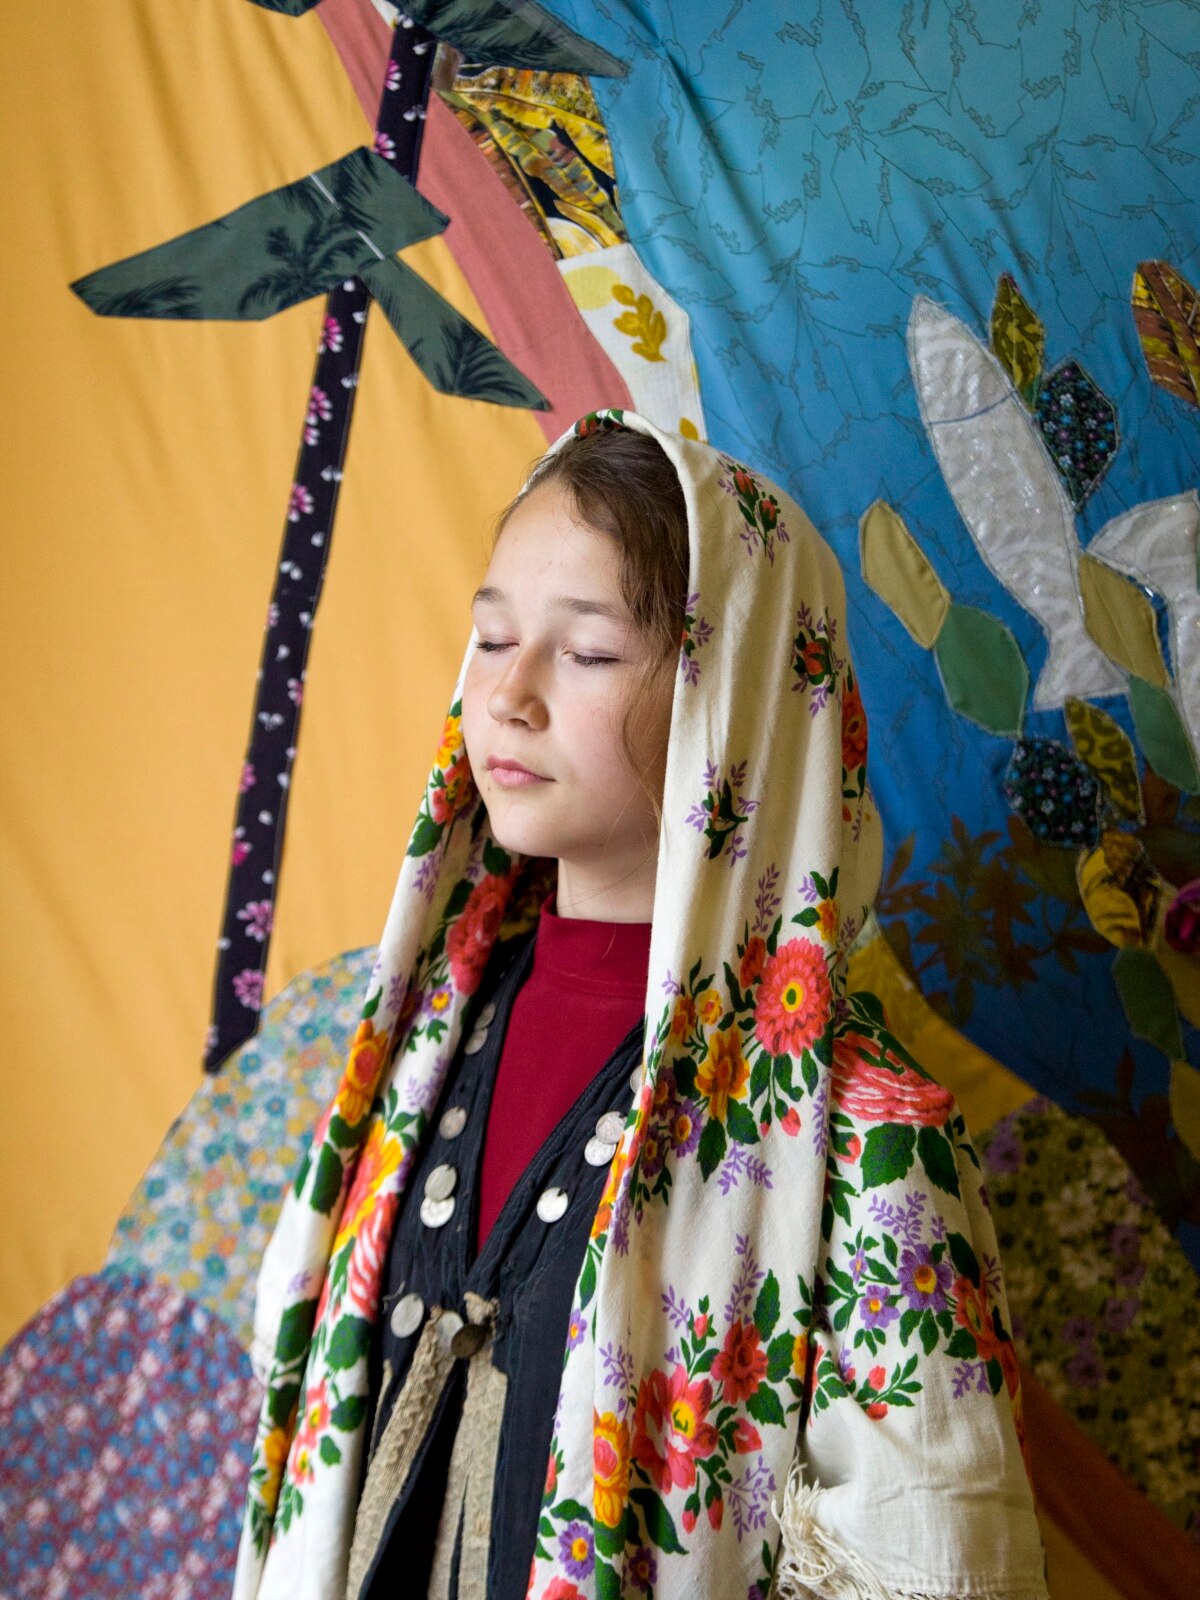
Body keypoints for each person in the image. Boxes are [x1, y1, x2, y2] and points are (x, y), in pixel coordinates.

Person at [233, 410, 1050, 1600]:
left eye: (587, 652)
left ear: (737, 696)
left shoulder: (862, 1135)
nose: (508, 695)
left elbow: (935, 1561)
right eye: (492, 636)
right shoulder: (412, 1059)